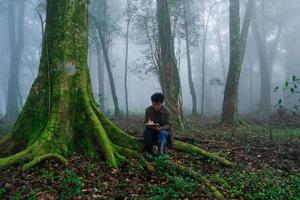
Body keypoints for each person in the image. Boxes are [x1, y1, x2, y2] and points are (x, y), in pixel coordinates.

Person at [143, 92, 173, 160]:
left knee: (161, 133)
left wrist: (160, 128)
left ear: (162, 103)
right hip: (152, 130)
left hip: (164, 132)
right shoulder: (148, 110)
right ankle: (149, 151)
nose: (156, 106)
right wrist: (152, 126)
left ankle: (161, 153)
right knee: (146, 132)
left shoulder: (167, 111)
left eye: (158, 105)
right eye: (154, 104)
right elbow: (146, 122)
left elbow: (169, 125)